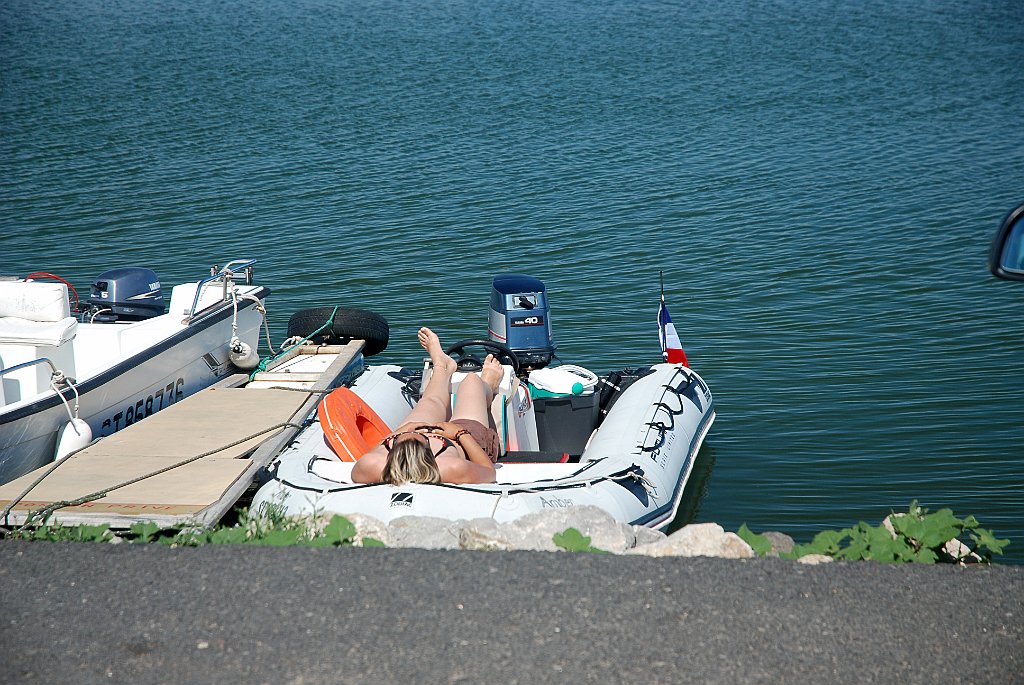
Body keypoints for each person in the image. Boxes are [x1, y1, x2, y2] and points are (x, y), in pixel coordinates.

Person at [351, 327, 502, 485]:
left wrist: (402, 431)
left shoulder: (371, 466)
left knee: (430, 401)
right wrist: (460, 433)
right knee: (472, 381)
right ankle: (489, 386)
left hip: (426, 444)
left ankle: (442, 367)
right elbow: (489, 472)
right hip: (461, 441)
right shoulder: (451, 468)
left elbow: (377, 448)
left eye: (396, 440)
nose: (418, 432)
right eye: (422, 437)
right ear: (430, 454)